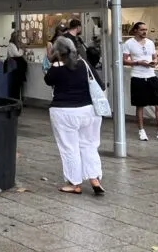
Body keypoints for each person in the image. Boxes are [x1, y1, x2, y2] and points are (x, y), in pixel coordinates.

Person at [46, 25, 106, 195]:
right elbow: (100, 85)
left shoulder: (57, 68)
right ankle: (94, 178)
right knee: (90, 145)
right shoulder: (84, 64)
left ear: (57, 52)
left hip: (64, 112)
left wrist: (54, 61)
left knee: (69, 147)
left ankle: (74, 183)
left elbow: (48, 80)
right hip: (89, 111)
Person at [123, 22, 158, 142]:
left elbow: (154, 56)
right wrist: (138, 62)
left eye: (146, 30)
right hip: (137, 76)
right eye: (142, 30)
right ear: (136, 30)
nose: (144, 32)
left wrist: (154, 62)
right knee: (140, 105)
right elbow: (124, 60)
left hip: (151, 75)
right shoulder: (129, 43)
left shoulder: (150, 43)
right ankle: (141, 130)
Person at [4, 30, 26, 101]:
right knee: (15, 84)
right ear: (15, 38)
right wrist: (22, 50)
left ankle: (17, 98)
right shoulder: (11, 45)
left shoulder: (16, 45)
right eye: (19, 37)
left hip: (18, 68)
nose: (20, 39)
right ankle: (15, 99)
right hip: (16, 67)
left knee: (18, 84)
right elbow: (17, 54)